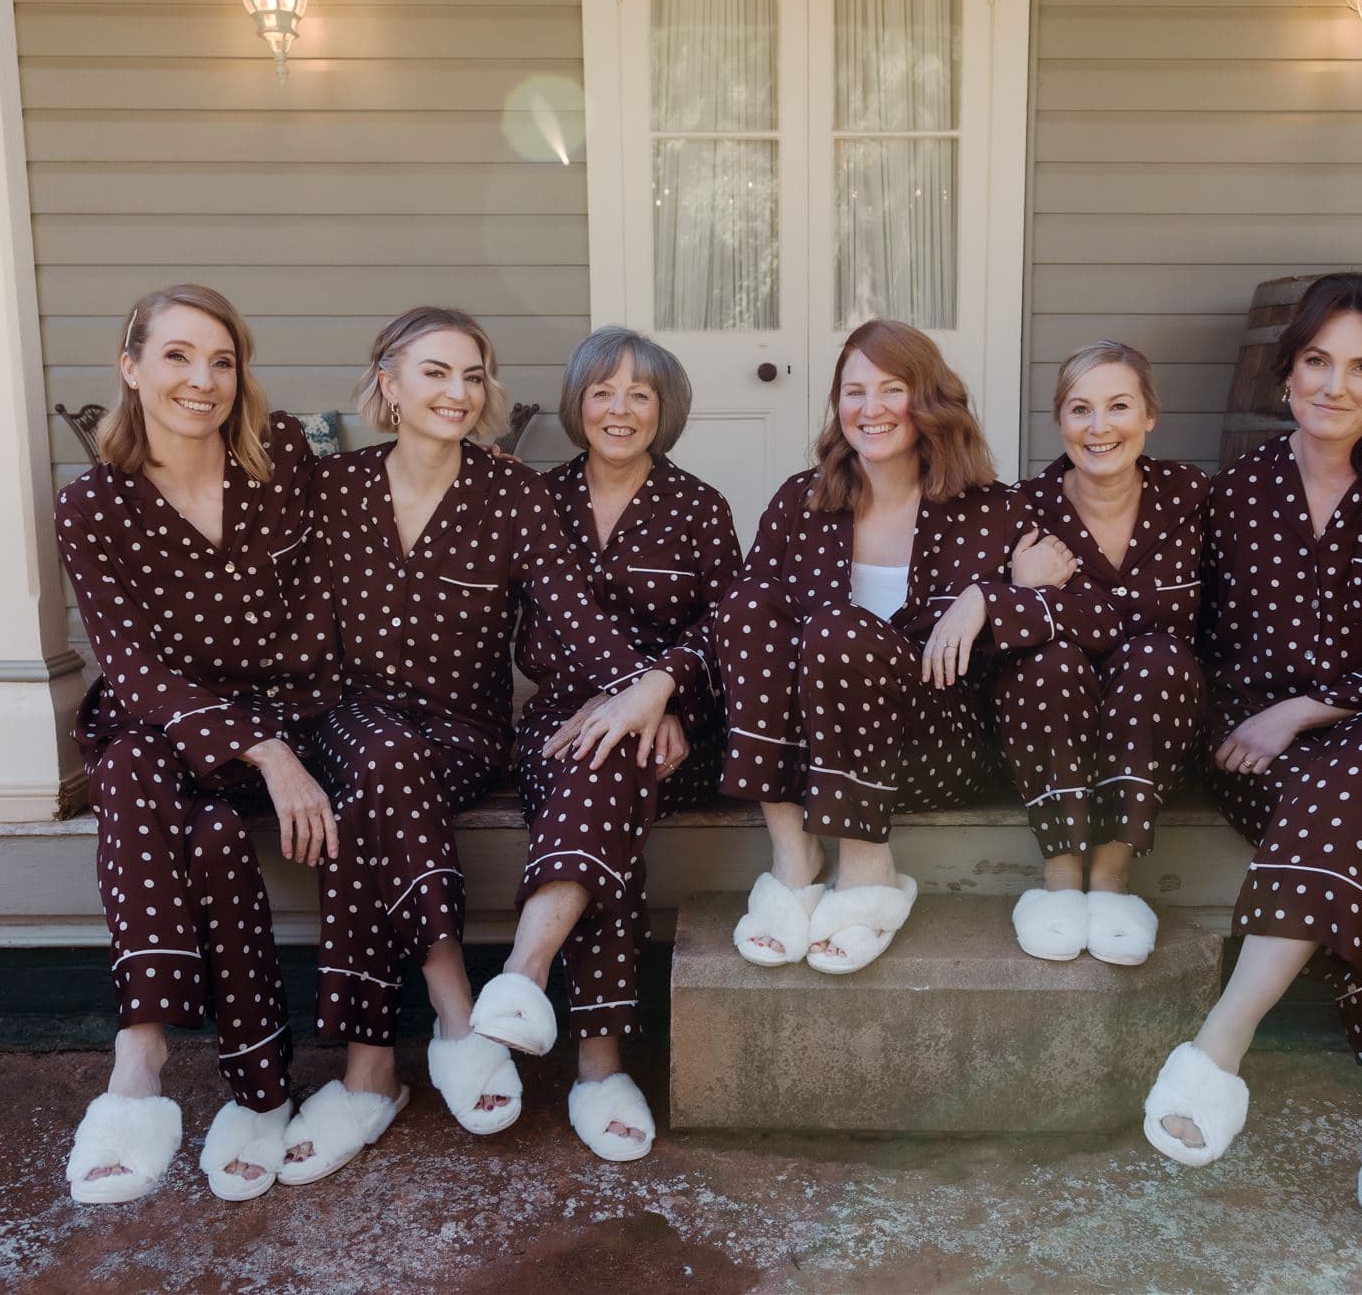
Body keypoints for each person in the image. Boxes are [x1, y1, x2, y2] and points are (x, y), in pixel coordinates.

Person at [1142, 274, 1362, 1274]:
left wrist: (1307, 706)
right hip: (1258, 754)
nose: (1332, 385)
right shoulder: (1238, 489)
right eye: (1315, 361)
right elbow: (1194, 624)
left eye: (1360, 368)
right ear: (1285, 369)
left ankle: (1220, 1041)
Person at [278, 307, 679, 1184]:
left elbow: (575, 617)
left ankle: (371, 1074)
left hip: (463, 733)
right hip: (351, 719)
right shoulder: (332, 486)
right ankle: (456, 1012)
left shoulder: (511, 493)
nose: (456, 393)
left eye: (471, 375)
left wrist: (647, 688)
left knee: (390, 782)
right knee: (377, 766)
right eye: (434, 372)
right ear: (387, 383)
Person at [57, 284, 340, 1204]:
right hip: (174, 729)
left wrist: (279, 733)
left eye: (221, 360)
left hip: (297, 710)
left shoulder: (283, 454)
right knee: (162, 784)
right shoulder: (93, 506)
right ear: (130, 369)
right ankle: (171, 1071)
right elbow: (130, 666)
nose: (202, 379)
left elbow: (360, 521)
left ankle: (194, 1084)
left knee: (201, 819)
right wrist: (263, 751)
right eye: (177, 356)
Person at [716, 318, 1066, 975]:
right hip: (814, 749)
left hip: (933, 744)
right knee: (747, 601)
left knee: (839, 628)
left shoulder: (992, 508)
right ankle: (795, 855)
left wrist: (990, 598)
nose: (869, 409)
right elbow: (749, 631)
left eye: (890, 389)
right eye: (853, 391)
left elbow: (1070, 612)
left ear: (927, 399)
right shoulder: (801, 500)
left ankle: (867, 867)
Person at [470, 326, 741, 1161]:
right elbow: (517, 627)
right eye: (603, 391)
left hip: (672, 731)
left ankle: (523, 976)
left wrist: (657, 696)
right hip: (559, 722)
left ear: (665, 411)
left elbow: (727, 629)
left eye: (640, 394)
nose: (619, 409)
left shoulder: (698, 506)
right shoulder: (535, 499)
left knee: (616, 755)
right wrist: (615, 703)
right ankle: (598, 1068)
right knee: (600, 765)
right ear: (577, 402)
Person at [994, 343, 1208, 964]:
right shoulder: (1024, 508)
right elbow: (1000, 632)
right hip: (1050, 724)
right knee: (1047, 661)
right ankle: (1061, 878)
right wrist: (1015, 589)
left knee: (1157, 658)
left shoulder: (1192, 497)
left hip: (1158, 721)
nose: (1099, 427)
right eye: (1080, 409)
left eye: (1119, 406)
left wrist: (1047, 602)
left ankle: (1111, 876)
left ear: (1150, 416)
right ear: (1059, 420)